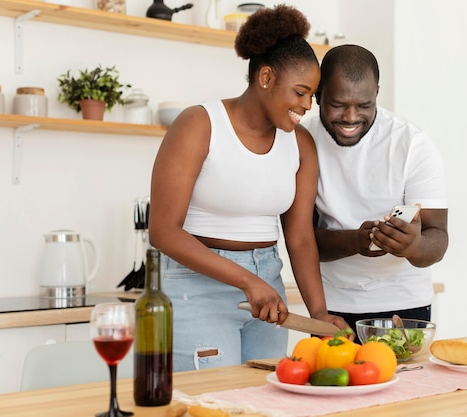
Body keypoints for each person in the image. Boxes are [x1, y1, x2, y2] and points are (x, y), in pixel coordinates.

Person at [148, 5, 348, 372]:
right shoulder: (199, 125)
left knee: (265, 399)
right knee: (211, 404)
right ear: (267, 77)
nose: (306, 105)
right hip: (195, 285)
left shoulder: (301, 144)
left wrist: (319, 313)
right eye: (301, 92)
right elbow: (162, 231)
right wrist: (246, 280)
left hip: (267, 287)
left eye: (311, 96)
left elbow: (300, 236)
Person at [303, 45, 449, 342]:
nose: (350, 117)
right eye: (338, 104)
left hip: (406, 306)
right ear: (318, 95)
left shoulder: (412, 144)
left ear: (377, 93)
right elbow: (301, 240)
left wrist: (413, 245)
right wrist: (356, 241)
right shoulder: (301, 141)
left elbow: (439, 238)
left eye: (364, 105)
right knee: (334, 387)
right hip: (332, 307)